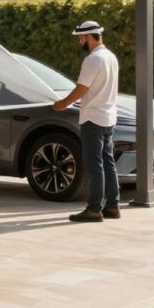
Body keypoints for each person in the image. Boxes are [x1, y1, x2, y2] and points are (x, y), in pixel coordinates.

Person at [52, 20, 120, 223]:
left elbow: (82, 88)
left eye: (81, 38)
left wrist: (62, 104)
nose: (79, 41)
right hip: (108, 117)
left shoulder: (93, 59)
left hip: (93, 118)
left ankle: (94, 209)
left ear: (89, 37)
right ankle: (112, 206)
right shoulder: (111, 57)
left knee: (94, 165)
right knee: (108, 163)